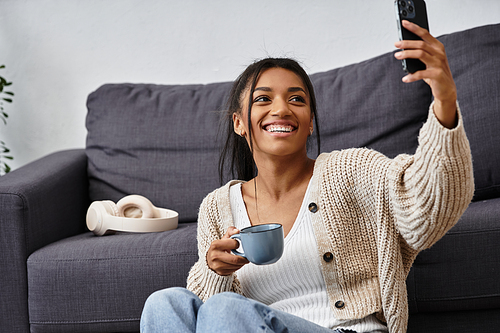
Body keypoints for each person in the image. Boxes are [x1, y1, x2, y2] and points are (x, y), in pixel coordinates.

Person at [140, 20, 474, 333]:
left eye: (297, 99)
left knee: (226, 310)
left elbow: (428, 207)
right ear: (239, 123)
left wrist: (444, 100)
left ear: (310, 121)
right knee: (164, 304)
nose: (282, 109)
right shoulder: (217, 207)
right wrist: (215, 271)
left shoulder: (351, 171)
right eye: (263, 99)